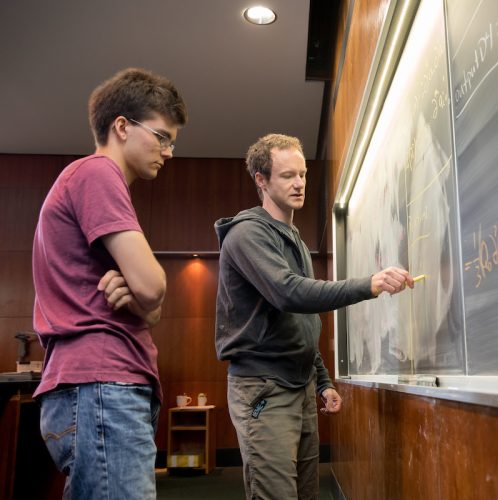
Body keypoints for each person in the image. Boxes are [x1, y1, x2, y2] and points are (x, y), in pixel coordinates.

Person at [215, 133, 414, 499]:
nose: (299, 184)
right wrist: (369, 284)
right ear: (261, 180)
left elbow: (301, 323)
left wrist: (321, 381)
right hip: (264, 388)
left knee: (306, 494)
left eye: (303, 174)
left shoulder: (294, 239)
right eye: (287, 175)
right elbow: (290, 293)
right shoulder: (246, 235)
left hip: (302, 386)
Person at [31, 67, 187, 499]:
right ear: (121, 126)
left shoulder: (94, 181)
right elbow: (153, 288)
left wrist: (143, 296)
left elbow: (149, 305)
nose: (168, 152)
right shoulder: (97, 173)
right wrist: (146, 292)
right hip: (101, 385)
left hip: (98, 388)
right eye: (161, 136)